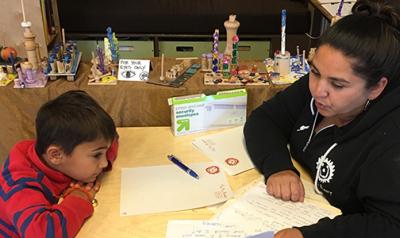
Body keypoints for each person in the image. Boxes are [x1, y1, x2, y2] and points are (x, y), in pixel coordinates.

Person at [244, 0, 400, 237]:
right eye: (314, 72)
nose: (318, 90)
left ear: (376, 88)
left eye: (338, 84)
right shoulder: (320, 86)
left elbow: (389, 225)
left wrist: (309, 235)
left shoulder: (390, 138)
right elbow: (264, 119)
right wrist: (279, 168)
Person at [0, 90, 119, 237]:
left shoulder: (60, 154)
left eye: (105, 153)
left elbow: (111, 139)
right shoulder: (21, 183)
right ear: (56, 155)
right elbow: (43, 234)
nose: (104, 163)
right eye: (97, 155)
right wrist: (79, 197)